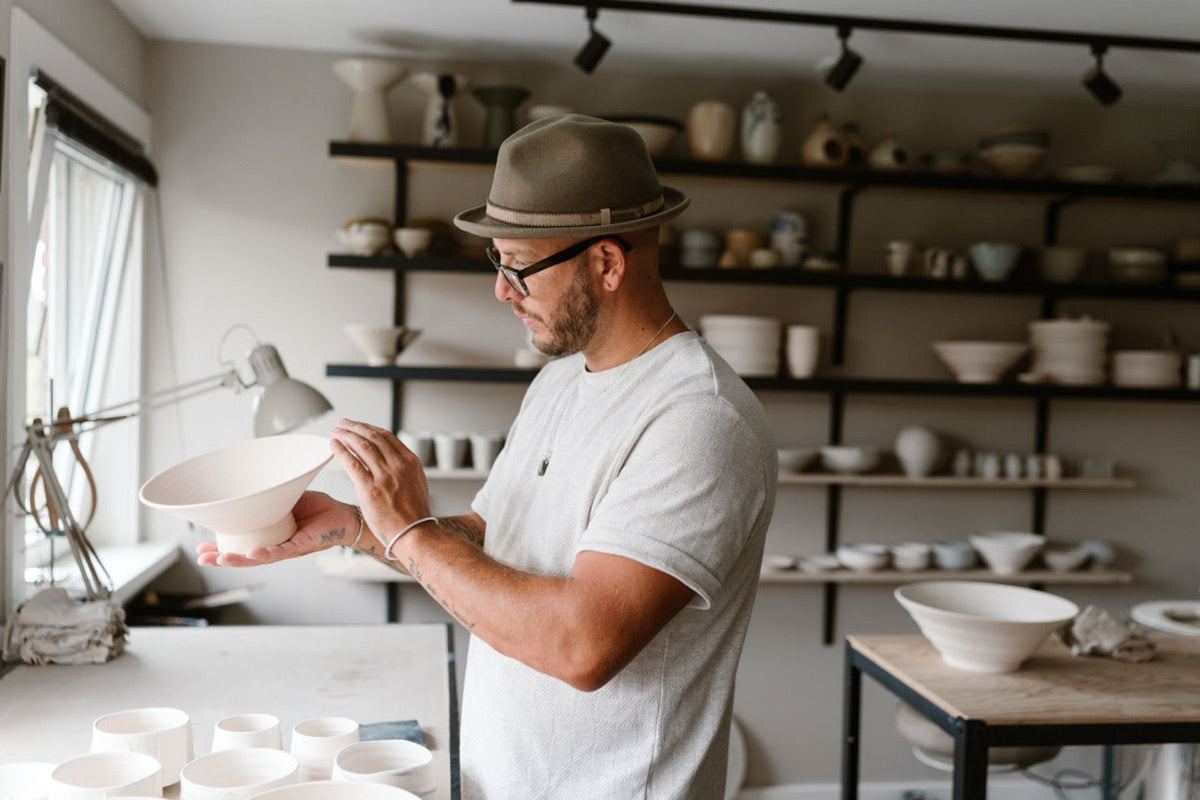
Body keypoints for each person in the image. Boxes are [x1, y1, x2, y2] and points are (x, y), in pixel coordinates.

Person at [197, 114, 777, 799]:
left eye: (519, 267)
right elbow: (487, 544)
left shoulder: (699, 420)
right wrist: (360, 525)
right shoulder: (561, 379)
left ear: (607, 262)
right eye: (496, 261)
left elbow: (581, 646)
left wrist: (409, 532)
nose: (502, 290)